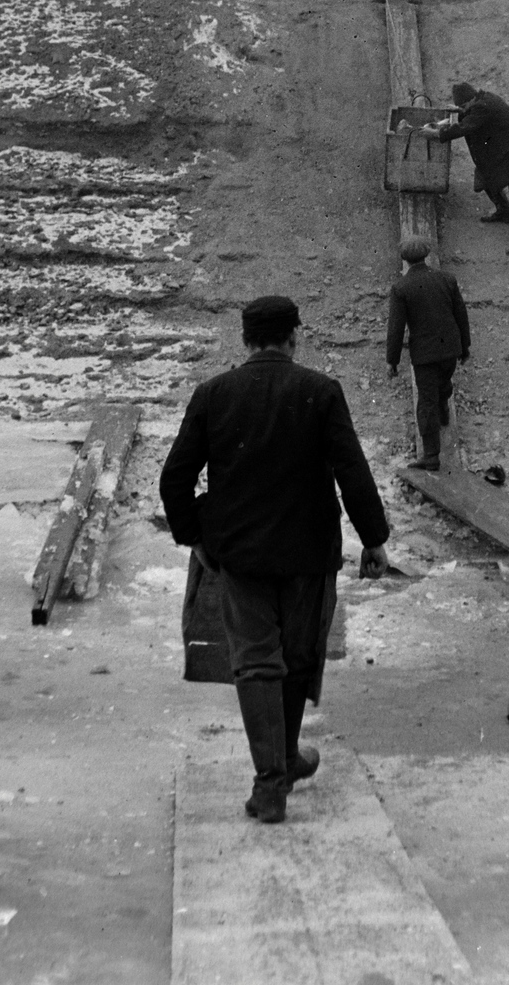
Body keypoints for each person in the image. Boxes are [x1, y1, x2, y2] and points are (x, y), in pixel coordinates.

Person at [159, 295, 390, 825]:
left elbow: (174, 479)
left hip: (239, 554)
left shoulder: (213, 393)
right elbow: (352, 470)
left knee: (257, 662)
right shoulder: (320, 391)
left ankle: (273, 780)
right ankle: (282, 763)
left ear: (245, 340)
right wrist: (373, 539)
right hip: (309, 553)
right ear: (292, 338)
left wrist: (194, 537)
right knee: (297, 657)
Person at [422, 83, 509, 259]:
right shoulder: (482, 100)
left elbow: (466, 127)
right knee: (484, 178)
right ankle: (504, 212)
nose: (463, 109)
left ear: (471, 100)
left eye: (463, 106)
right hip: (507, 150)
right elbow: (471, 116)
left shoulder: (483, 108)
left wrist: (436, 134)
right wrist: (460, 110)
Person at [386, 236, 471, 472]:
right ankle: (444, 408)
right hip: (450, 349)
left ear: (404, 259)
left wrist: (392, 361)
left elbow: (396, 328)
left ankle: (431, 455)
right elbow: (460, 314)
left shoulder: (401, 288)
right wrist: (465, 347)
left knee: (426, 403)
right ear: (426, 254)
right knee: (443, 381)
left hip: (425, 354)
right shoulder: (446, 279)